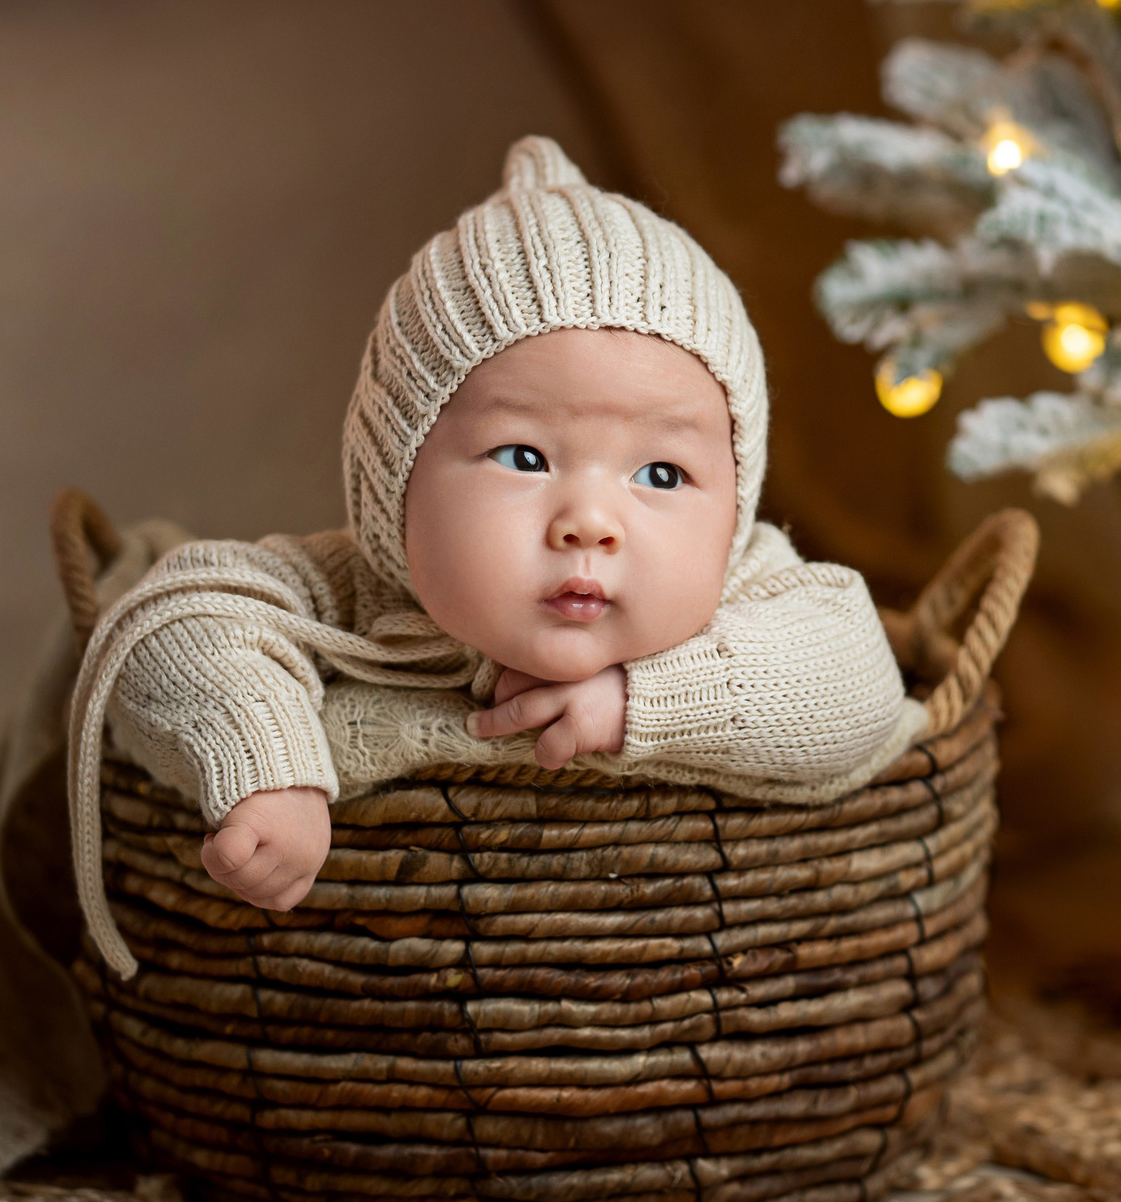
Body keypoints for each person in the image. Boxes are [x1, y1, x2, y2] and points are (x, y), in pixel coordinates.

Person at [64, 137, 927, 979]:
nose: (590, 523)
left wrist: (640, 701)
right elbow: (174, 621)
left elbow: (858, 682)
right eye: (524, 457)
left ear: (735, 504)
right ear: (397, 477)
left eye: (661, 474)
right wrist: (267, 769)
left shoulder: (749, 588)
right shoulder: (351, 587)